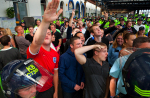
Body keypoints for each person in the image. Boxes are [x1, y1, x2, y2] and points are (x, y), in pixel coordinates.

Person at [26, 0, 63, 97]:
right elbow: (37, 41)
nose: (46, 35)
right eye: (44, 33)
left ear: (52, 37)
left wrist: (56, 91)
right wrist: (45, 22)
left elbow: (55, 74)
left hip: (49, 90)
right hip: (34, 91)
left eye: (49, 33)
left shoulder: (55, 54)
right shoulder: (35, 50)